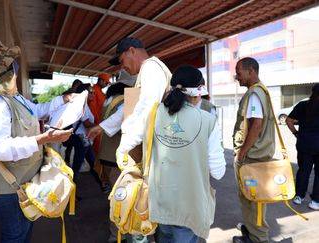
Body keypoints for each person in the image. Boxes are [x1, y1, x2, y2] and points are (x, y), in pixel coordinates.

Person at [0, 38, 73, 243]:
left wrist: (63, 99)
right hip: (8, 186)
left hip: (23, 181)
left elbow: (36, 111)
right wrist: (42, 139)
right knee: (15, 235)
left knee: (24, 228)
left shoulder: (11, 96)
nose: (15, 69)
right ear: (3, 70)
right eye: (11, 64)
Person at [145, 65, 226, 242]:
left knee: (163, 236)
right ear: (198, 91)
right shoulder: (208, 121)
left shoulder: (152, 113)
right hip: (189, 204)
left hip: (158, 200)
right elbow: (218, 172)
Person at [109, 37, 171, 243]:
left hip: (157, 157)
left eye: (121, 60)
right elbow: (131, 109)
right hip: (150, 155)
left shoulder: (151, 69)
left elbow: (147, 110)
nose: (123, 67)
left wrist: (125, 146)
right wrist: (102, 128)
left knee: (143, 208)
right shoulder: (146, 72)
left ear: (131, 51)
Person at [87, 69, 136, 243]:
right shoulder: (125, 101)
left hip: (105, 156)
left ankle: (116, 233)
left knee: (115, 196)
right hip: (118, 159)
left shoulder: (108, 101)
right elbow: (121, 118)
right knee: (122, 198)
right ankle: (116, 235)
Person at [232, 57, 275, 243]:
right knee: (250, 199)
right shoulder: (259, 91)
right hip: (256, 156)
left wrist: (242, 153)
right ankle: (252, 232)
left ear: (251, 71)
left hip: (253, 158)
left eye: (239, 72)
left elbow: (256, 126)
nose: (237, 77)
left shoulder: (255, 94)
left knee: (254, 200)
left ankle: (259, 238)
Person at [286, 83, 319, 210]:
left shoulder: (303, 105)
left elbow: (288, 120)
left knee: (304, 170)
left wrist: (296, 133)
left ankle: (299, 196)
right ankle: (316, 201)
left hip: (304, 144)